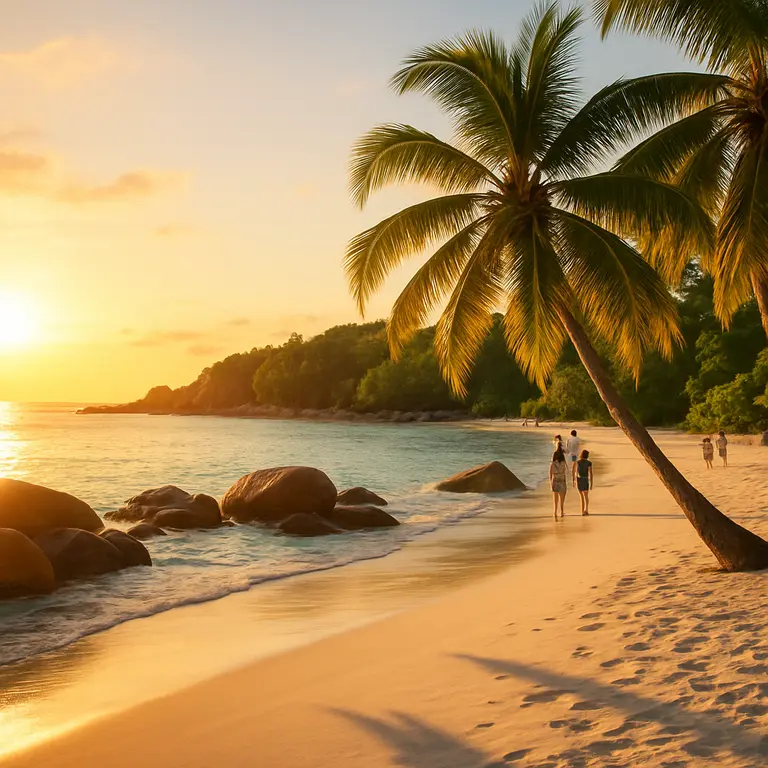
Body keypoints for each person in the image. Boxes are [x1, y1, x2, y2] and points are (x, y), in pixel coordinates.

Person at [573, 449, 593, 515]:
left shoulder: (578, 462)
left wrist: (574, 480)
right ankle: (586, 510)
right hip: (585, 479)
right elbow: (590, 473)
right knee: (586, 496)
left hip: (579, 479)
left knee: (581, 496)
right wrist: (591, 483)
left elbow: (576, 472)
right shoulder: (589, 463)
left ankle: (582, 511)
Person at [549, 447, 568, 519]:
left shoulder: (552, 464)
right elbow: (564, 471)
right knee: (562, 497)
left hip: (555, 480)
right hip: (562, 479)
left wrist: (550, 483)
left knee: (555, 498)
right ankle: (562, 511)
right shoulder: (563, 463)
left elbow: (550, 474)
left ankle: (555, 512)